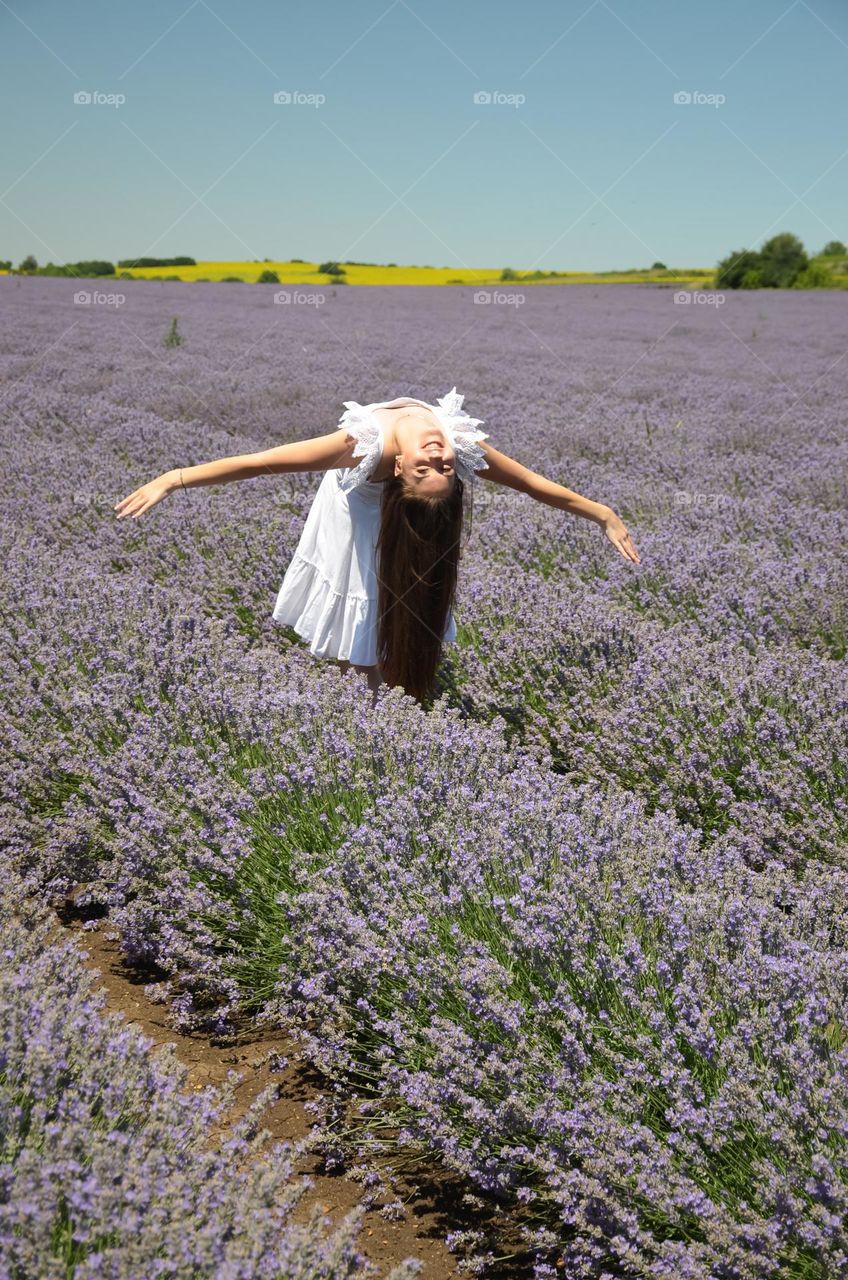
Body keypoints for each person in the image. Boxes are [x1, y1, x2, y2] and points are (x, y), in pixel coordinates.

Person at [114, 387, 640, 705]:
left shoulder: (396, 446)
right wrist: (173, 479)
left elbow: (529, 482)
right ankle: (368, 705)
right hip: (355, 510)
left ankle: (388, 708)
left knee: (401, 599)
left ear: (399, 472)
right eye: (438, 468)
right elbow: (260, 464)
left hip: (381, 510)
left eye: (434, 467)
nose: (438, 457)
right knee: (364, 605)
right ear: (395, 470)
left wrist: (602, 514)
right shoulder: (403, 445)